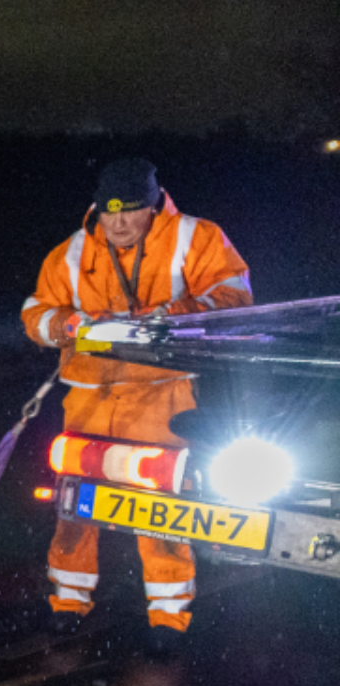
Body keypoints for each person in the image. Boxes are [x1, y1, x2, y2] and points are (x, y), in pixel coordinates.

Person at [21, 157, 252, 650]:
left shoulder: (197, 236)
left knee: (161, 507)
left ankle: (168, 617)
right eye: (109, 213)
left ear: (153, 206)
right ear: (97, 210)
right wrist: (66, 325)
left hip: (161, 394)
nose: (119, 223)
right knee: (75, 504)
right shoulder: (71, 251)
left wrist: (172, 315)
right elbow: (35, 313)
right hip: (90, 396)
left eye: (130, 212)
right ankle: (67, 601)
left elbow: (234, 296)